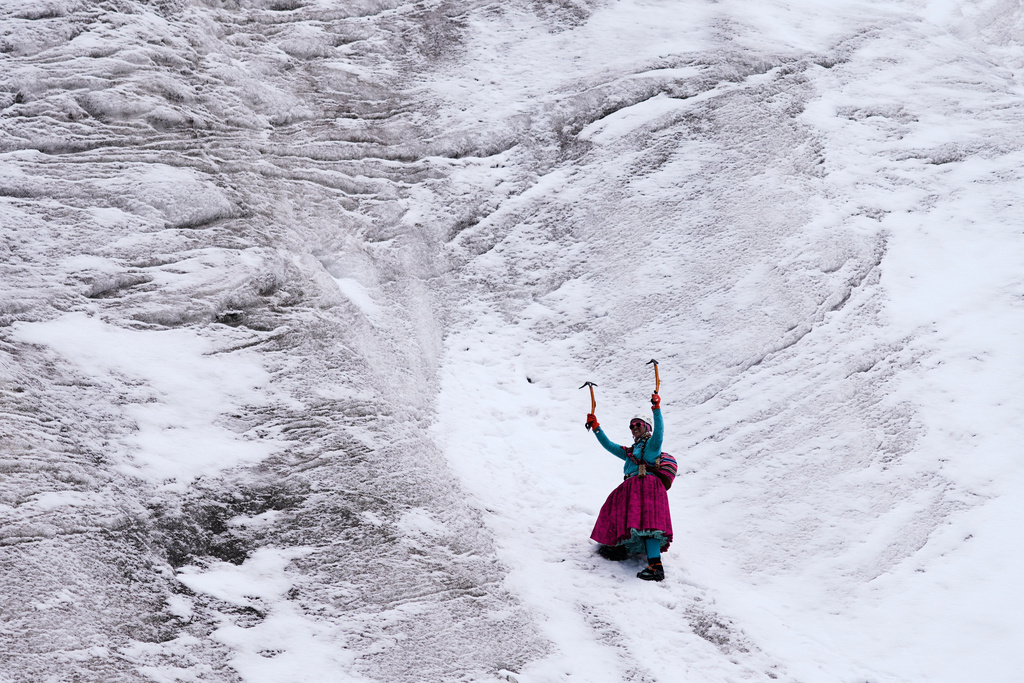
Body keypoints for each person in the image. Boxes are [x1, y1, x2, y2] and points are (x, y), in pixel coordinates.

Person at [585, 393, 672, 581]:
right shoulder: (630, 452)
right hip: (632, 487)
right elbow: (609, 445)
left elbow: (659, 433)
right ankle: (620, 547)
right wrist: (596, 428)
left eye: (638, 425)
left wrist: (656, 409)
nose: (633, 428)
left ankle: (656, 567)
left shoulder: (651, 446)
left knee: (649, 525)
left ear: (646, 427)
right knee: (618, 510)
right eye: (631, 426)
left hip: (647, 486)